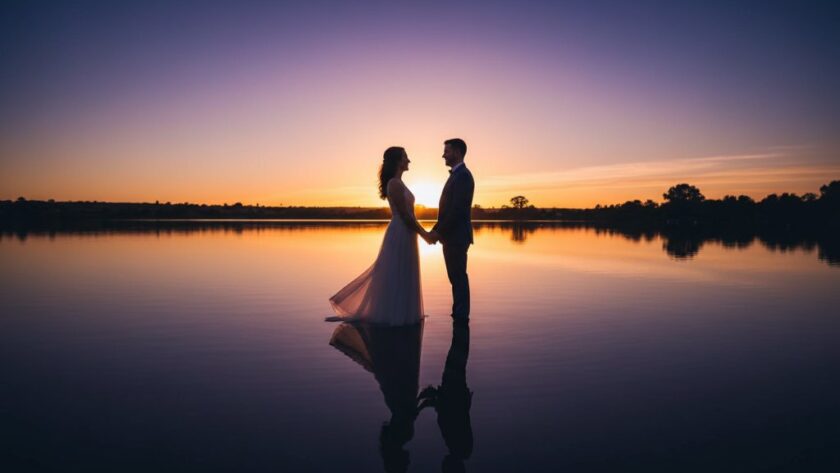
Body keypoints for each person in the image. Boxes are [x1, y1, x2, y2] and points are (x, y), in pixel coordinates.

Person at [327, 146, 434, 326]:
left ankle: (403, 312)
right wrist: (425, 234)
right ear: (398, 161)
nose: (409, 160)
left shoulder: (399, 183)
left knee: (403, 271)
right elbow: (406, 216)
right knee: (394, 271)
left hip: (407, 234)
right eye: (405, 157)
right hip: (400, 233)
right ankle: (393, 315)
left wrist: (423, 233)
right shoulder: (394, 184)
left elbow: (411, 215)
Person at [428, 138, 475, 321]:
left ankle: (461, 317)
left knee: (458, 277)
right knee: (456, 278)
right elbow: (448, 211)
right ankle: (459, 315)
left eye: (446, 151)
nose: (443, 155)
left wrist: (437, 232)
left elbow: (456, 210)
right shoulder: (457, 175)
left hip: (457, 236)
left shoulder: (462, 176)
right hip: (452, 236)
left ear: (456, 152)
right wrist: (436, 230)